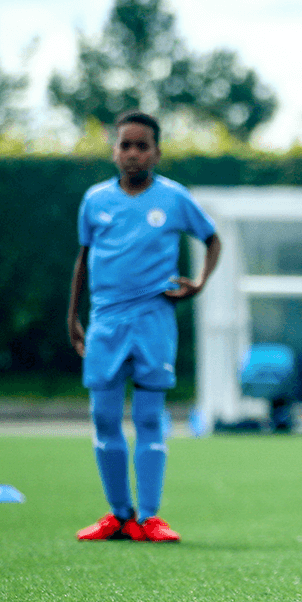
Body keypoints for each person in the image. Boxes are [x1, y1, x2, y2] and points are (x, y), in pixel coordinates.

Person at [70, 111, 221, 543]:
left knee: (149, 418)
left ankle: (150, 517)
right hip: (104, 322)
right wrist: (73, 317)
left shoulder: (174, 198)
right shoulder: (95, 201)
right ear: (115, 150)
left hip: (154, 320)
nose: (133, 153)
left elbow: (212, 239)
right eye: (125, 145)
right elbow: (83, 260)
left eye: (142, 145)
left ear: (156, 151)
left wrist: (199, 284)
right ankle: (118, 515)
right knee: (103, 417)